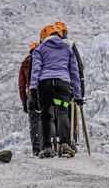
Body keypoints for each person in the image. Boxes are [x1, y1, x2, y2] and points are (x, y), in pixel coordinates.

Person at [28, 24, 82, 158]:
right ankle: (65, 145)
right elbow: (74, 72)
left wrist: (33, 90)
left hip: (45, 85)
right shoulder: (67, 49)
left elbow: (35, 71)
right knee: (62, 112)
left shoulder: (39, 49)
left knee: (46, 114)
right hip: (62, 84)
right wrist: (78, 94)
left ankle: (47, 148)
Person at [54, 21, 85, 147]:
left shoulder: (46, 45)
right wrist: (80, 91)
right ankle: (71, 140)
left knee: (56, 111)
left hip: (52, 85)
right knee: (70, 112)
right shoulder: (70, 45)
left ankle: (56, 141)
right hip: (69, 85)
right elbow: (78, 68)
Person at [19, 42, 42, 156]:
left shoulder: (25, 63)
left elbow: (22, 85)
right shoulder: (44, 59)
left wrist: (24, 102)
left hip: (31, 95)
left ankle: (37, 149)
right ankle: (50, 144)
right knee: (48, 118)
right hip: (44, 92)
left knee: (34, 122)